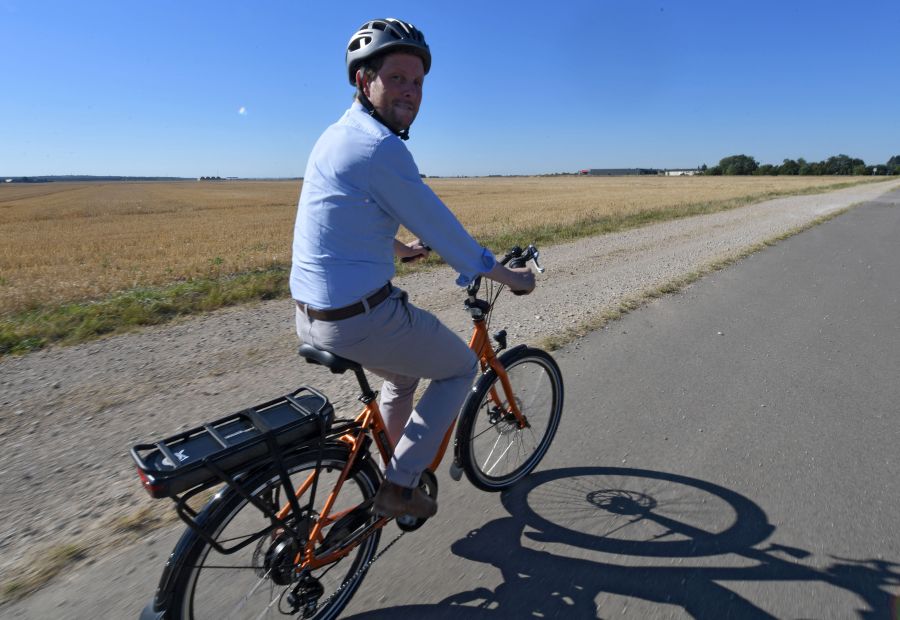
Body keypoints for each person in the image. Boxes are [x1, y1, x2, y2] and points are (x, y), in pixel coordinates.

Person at [290, 17, 535, 520]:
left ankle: (389, 462)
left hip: (313, 314)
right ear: (365, 80)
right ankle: (398, 487)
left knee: (401, 380)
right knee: (462, 368)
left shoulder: (337, 136)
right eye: (397, 78)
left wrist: (401, 250)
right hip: (361, 320)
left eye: (418, 82)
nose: (411, 91)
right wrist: (510, 279)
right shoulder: (380, 147)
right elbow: (452, 235)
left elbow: (344, 221)